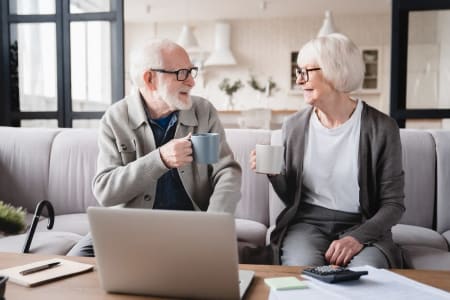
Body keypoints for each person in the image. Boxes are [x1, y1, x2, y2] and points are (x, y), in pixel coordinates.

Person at [68, 39, 241, 257]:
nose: (191, 82)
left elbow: (227, 172)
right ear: (149, 79)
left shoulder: (203, 112)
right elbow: (105, 191)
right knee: (78, 259)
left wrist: (213, 223)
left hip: (190, 226)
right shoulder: (115, 118)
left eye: (191, 71)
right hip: (127, 227)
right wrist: (160, 159)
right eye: (181, 73)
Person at [248, 33, 405, 268]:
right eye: (298, 72)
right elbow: (292, 197)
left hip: (362, 224)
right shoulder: (294, 126)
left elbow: (393, 205)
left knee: (368, 276)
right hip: (307, 224)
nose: (299, 81)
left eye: (306, 72)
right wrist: (273, 174)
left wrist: (357, 238)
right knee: (303, 271)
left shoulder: (382, 128)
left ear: (336, 71)